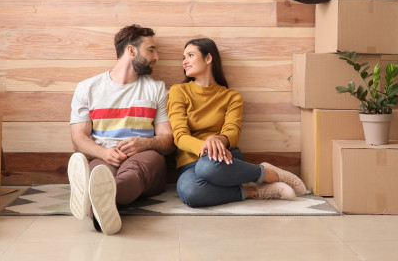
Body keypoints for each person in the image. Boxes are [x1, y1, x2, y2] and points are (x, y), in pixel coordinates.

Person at [168, 37, 307, 208]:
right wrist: (206, 146)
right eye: (183, 57)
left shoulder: (231, 97)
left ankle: (271, 174)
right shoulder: (178, 91)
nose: (185, 62)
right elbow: (180, 136)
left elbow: (232, 131)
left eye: (190, 55)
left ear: (208, 58)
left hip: (223, 159)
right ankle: (256, 191)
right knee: (191, 192)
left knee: (208, 168)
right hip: (189, 163)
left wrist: (218, 140)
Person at [68, 24, 174, 234]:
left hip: (144, 158)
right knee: (99, 174)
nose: (157, 57)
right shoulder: (87, 88)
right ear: (131, 50)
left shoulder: (157, 89)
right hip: (103, 155)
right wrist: (104, 153)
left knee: (132, 173)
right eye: (151, 49)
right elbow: (78, 138)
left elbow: (168, 141)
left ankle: (89, 196)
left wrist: (147, 143)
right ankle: (100, 207)